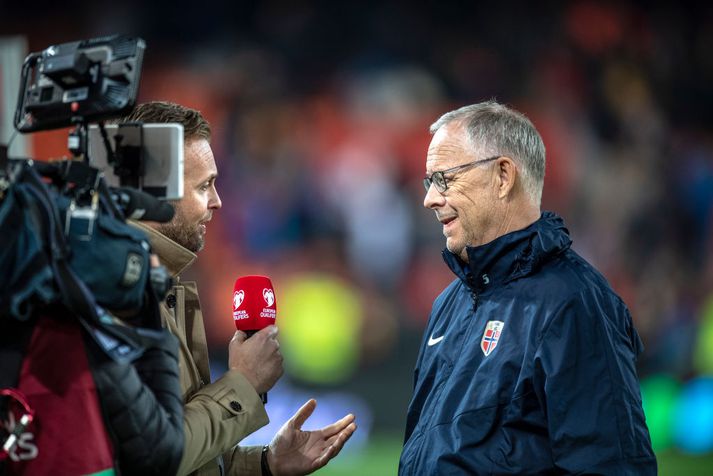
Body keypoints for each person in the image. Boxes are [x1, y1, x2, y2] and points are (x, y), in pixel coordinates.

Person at [399, 101, 656, 474]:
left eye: (444, 179)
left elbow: (611, 465)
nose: (430, 198)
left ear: (503, 176)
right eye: (429, 182)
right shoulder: (448, 304)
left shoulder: (574, 302)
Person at [123, 101, 356, 476]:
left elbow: (181, 454)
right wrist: (243, 383)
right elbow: (151, 459)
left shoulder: (161, 286)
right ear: (153, 195)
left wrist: (264, 463)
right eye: (204, 186)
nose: (217, 201)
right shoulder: (116, 297)